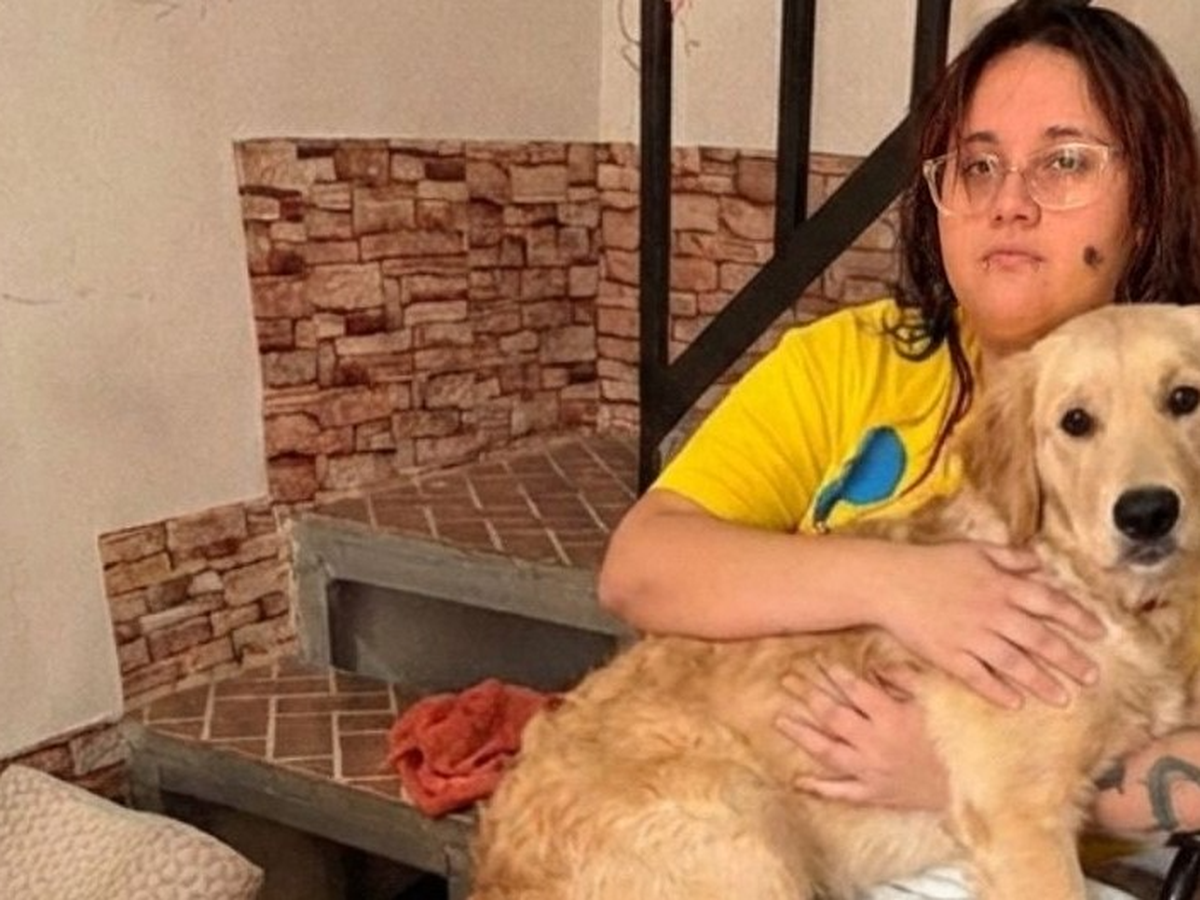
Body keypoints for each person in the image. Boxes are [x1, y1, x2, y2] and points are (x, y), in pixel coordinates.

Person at [596, 1, 1200, 896]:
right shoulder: (842, 362)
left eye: (1065, 161)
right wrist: (901, 584)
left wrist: (973, 778)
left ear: (1146, 205)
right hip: (745, 828)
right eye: (978, 165)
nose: (1010, 201)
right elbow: (639, 569)